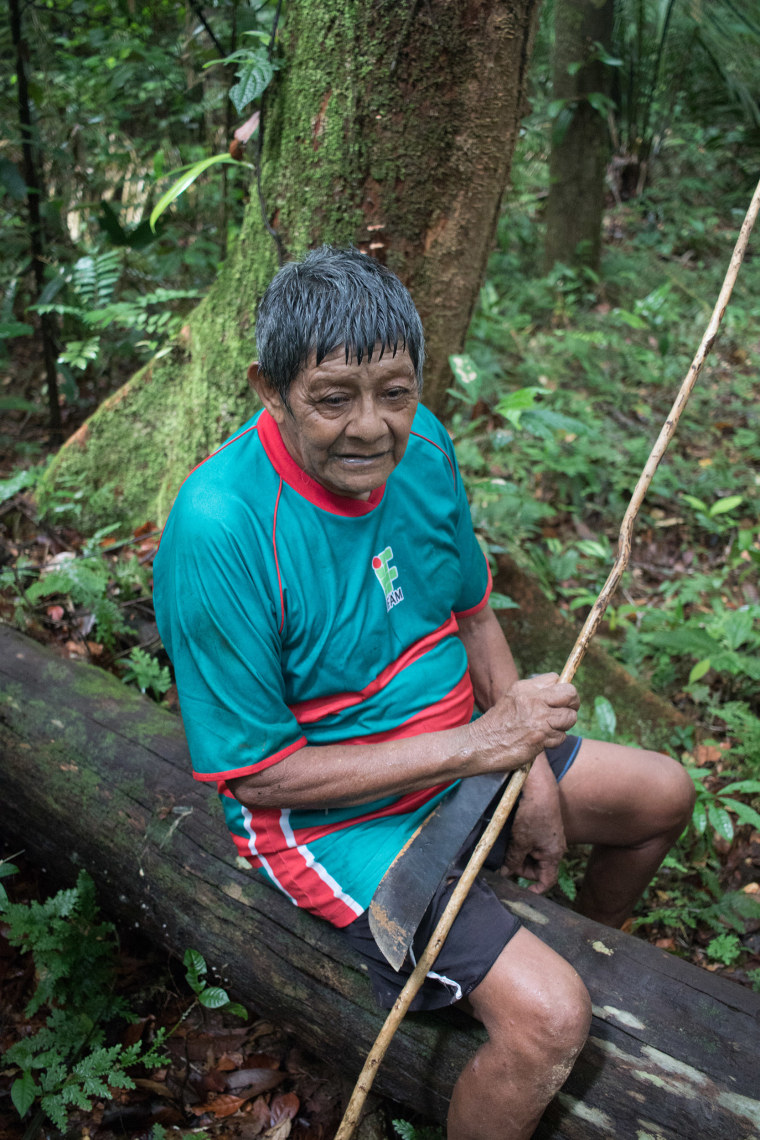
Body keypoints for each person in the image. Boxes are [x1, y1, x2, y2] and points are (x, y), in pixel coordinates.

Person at [153, 246, 694, 1139]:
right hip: (338, 820)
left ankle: (589, 942)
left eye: (394, 392)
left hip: (467, 749)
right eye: (333, 398)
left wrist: (533, 771)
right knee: (549, 1022)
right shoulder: (223, 526)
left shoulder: (424, 446)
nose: (372, 428)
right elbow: (258, 776)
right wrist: (489, 748)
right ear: (270, 388)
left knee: (662, 796)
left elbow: (475, 614)